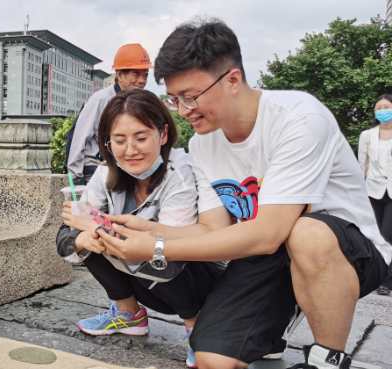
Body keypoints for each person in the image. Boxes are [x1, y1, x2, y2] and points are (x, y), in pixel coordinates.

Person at [97, 19, 392, 369]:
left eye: (191, 97)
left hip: (346, 253)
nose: (183, 111)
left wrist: (157, 248)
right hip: (270, 259)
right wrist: (149, 230)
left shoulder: (297, 118)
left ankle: (327, 359)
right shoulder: (204, 144)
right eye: (174, 99)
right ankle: (270, 329)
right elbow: (214, 230)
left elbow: (269, 234)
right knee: (211, 359)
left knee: (306, 233)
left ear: (233, 79)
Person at [57, 89, 229, 368]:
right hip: (143, 276)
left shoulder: (179, 173)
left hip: (193, 280)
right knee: (84, 240)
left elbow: (171, 245)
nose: (130, 150)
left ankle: (197, 328)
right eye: (119, 140)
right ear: (108, 144)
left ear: (162, 135)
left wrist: (92, 225)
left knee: (159, 252)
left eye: (140, 137)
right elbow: (66, 235)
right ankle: (129, 315)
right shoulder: (106, 173)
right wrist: (85, 236)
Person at [67, 43, 151, 184]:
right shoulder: (101, 99)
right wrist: (75, 177)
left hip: (124, 167)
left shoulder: (141, 104)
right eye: (136, 74)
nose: (142, 80)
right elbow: (80, 136)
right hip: (95, 169)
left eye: (145, 75)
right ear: (119, 75)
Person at [358, 93, 392, 296]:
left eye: (386, 107)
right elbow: (362, 165)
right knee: (373, 234)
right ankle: (373, 276)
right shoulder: (367, 135)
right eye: (378, 108)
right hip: (372, 189)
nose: (382, 111)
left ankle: (387, 281)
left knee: (388, 233)